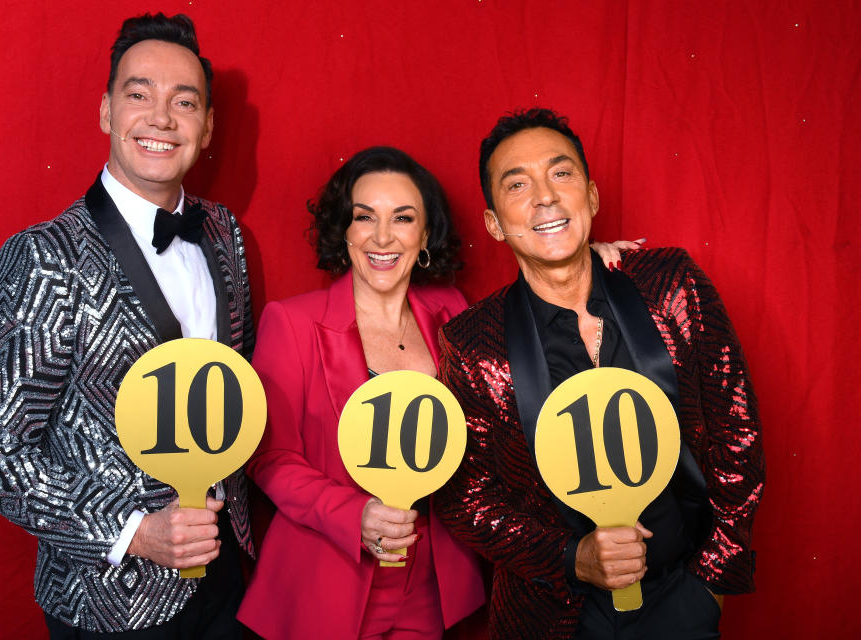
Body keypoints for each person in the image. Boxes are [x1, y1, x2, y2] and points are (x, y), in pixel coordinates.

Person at [0, 13, 253, 638]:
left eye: (184, 102)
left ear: (208, 126)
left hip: (229, 574)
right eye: (138, 95)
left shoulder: (224, 235)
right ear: (107, 113)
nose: (161, 118)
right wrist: (134, 532)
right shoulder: (44, 256)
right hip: (109, 601)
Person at [434, 108, 764, 639]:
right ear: (494, 222)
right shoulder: (473, 343)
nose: (545, 195)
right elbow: (464, 496)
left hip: (679, 594)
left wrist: (709, 585)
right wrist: (569, 557)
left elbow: (736, 431)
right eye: (517, 184)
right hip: (550, 615)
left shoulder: (671, 285)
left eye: (560, 173)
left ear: (590, 195)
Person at [236, 146, 485, 639]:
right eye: (364, 217)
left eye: (403, 218)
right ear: (344, 230)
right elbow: (270, 457)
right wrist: (355, 516)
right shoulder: (293, 322)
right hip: (329, 579)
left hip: (431, 583)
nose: (383, 237)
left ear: (426, 233)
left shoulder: (453, 311)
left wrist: (583, 264)